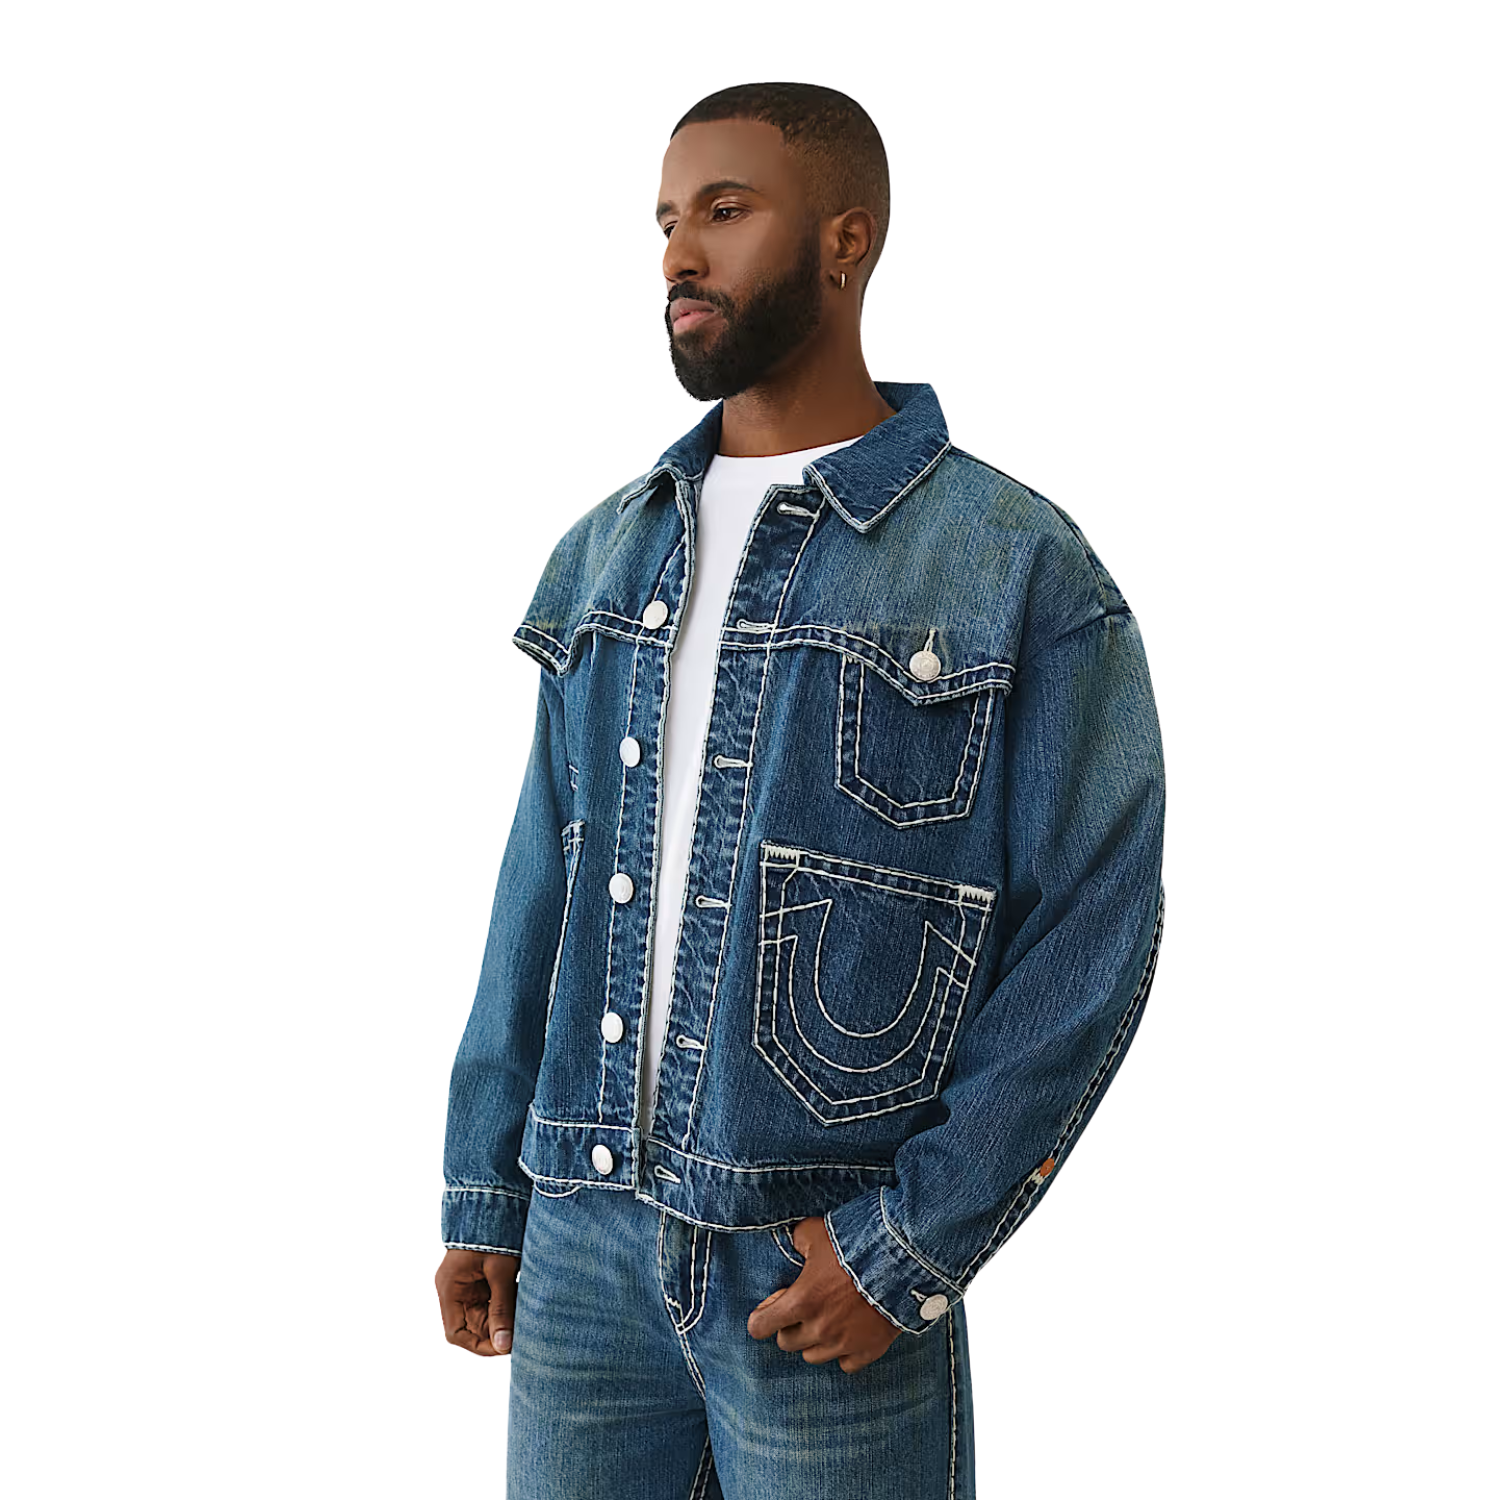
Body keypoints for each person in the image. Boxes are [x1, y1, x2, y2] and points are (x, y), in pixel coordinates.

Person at [434, 81, 1166, 1500]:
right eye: (665, 221)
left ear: (847, 239)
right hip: (581, 1243)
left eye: (724, 210)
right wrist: (487, 1181)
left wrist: (912, 1243)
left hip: (817, 1253)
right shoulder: (606, 551)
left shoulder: (1013, 563)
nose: (677, 257)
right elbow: (541, 887)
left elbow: (1093, 928)